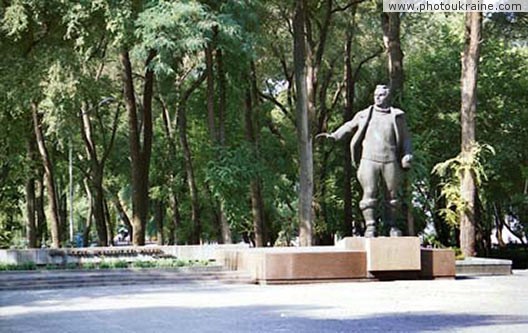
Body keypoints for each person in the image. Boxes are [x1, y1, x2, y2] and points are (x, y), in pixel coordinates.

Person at [317, 85, 412, 237]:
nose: (377, 97)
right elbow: (349, 125)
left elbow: (406, 138)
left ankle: (391, 226)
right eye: (376, 95)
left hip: (390, 160)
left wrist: (407, 154)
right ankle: (370, 226)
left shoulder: (398, 116)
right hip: (369, 159)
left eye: (381, 95)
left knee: (392, 196)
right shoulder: (364, 114)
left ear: (388, 97)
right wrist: (334, 135)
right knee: (369, 193)